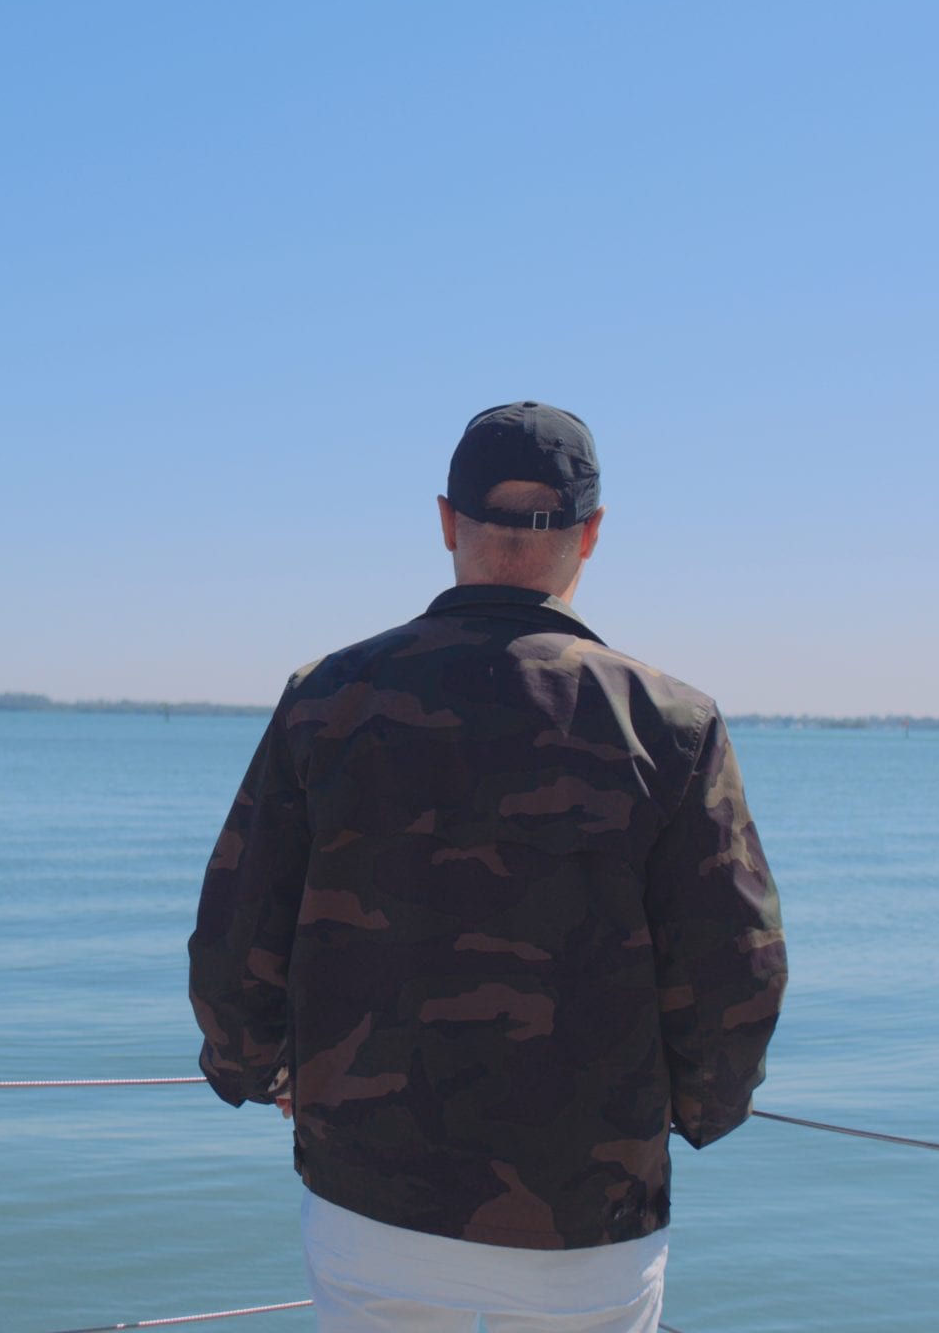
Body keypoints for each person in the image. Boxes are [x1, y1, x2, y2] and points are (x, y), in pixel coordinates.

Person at [187, 401, 787, 1333]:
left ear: (444, 521)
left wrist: (257, 1072)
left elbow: (235, 936)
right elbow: (736, 972)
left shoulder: (327, 703)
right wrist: (691, 1114)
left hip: (368, 1201)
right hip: (586, 1216)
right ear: (591, 535)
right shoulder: (670, 723)